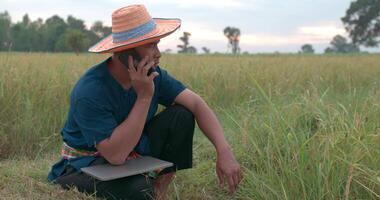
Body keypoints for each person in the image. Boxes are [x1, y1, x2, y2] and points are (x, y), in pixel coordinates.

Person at [47, 4, 242, 200]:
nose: (158, 53)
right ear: (126, 52)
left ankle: (159, 191)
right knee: (139, 190)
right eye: (150, 45)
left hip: (132, 150)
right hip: (88, 163)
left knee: (181, 115)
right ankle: (146, 188)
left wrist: (224, 150)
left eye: (156, 44)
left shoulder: (155, 76)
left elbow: (197, 104)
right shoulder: (90, 90)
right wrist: (144, 97)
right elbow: (115, 156)